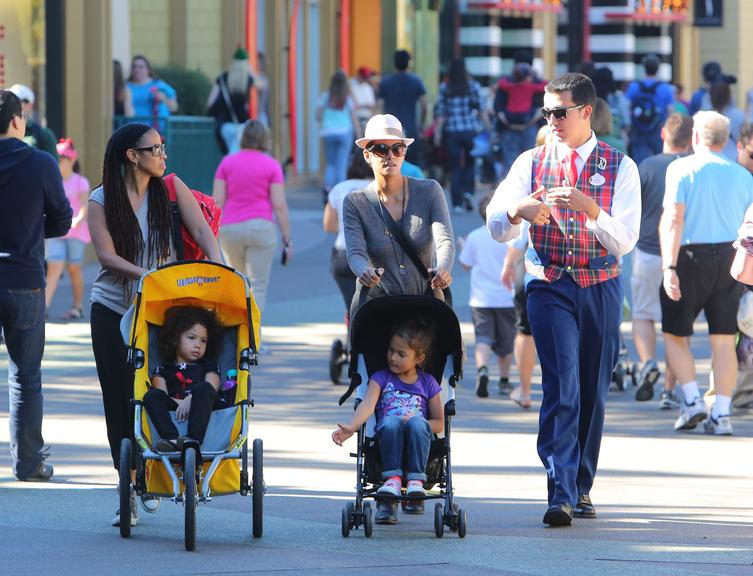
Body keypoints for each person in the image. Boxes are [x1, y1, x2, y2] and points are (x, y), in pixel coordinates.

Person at [487, 72, 641, 526]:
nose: (551, 119)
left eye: (560, 111)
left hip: (600, 284)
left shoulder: (620, 165)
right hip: (549, 283)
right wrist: (518, 210)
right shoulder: (530, 161)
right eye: (547, 112)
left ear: (586, 112)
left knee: (593, 386)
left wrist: (591, 210)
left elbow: (625, 241)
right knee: (562, 385)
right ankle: (559, 490)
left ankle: (582, 486)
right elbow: (497, 222)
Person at [88, 123, 222, 527]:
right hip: (113, 309)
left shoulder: (170, 187)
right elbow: (106, 256)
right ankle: (126, 486)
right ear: (132, 155)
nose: (163, 155)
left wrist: (221, 273)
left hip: (163, 313)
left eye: (163, 148)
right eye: (156, 149)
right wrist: (147, 274)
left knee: (159, 388)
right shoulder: (101, 200)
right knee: (119, 399)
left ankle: (157, 471)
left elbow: (202, 231)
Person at [659, 111, 753, 437]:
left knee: (674, 333)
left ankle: (692, 400)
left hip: (689, 255)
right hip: (731, 257)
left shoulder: (681, 168)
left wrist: (668, 266)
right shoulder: (743, 176)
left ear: (696, 136)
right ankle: (722, 413)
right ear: (726, 140)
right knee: (724, 340)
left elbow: (674, 218)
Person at [0, 90, 71, 481]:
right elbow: (61, 219)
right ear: (16, 121)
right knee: (25, 375)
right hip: (24, 279)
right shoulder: (41, 163)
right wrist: (31, 230)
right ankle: (29, 462)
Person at [331, 318, 444, 525]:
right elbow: (367, 405)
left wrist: (420, 421)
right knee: (391, 422)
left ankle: (415, 482)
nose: (393, 357)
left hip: (417, 435)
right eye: (391, 350)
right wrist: (352, 427)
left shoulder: (428, 383)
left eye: (401, 354)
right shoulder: (381, 378)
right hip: (388, 433)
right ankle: (392, 479)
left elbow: (439, 422)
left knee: (419, 423)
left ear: (418, 358)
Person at [344, 114, 454, 314]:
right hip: (379, 304)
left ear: (404, 153)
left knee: (449, 343)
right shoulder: (355, 202)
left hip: (425, 301)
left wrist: (443, 268)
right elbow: (355, 252)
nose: (390, 155)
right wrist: (364, 272)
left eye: (397, 148)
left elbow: (445, 241)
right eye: (381, 149)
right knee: (363, 342)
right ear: (367, 155)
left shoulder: (430, 190)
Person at [631, 114, 692, 407]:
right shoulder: (693, 168)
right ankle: (669, 390)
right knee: (676, 325)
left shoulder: (647, 166)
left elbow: (633, 206)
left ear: (662, 133)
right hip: (682, 255)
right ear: (693, 139)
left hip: (647, 249)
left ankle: (647, 363)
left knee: (643, 314)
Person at [212, 120, 291, 315]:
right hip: (261, 228)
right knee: (258, 286)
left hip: (230, 229)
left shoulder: (227, 163)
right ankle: (255, 340)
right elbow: (279, 205)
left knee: (237, 284)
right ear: (265, 139)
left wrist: (210, 235)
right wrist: (286, 238)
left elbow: (217, 201)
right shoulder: (272, 165)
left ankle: (238, 339)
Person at [458, 195, 515, 398]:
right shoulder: (513, 237)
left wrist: (463, 247)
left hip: (481, 299)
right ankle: (504, 379)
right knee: (506, 343)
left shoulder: (475, 236)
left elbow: (466, 263)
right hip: (507, 298)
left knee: (483, 338)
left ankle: (482, 369)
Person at [143, 306, 222, 451]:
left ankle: (193, 439)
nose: (198, 345)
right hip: (175, 405)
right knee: (152, 395)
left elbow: (212, 387)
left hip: (205, 404)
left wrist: (191, 399)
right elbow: (163, 395)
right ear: (174, 339)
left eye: (203, 341)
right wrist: (183, 402)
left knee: (203, 388)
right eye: (192, 338)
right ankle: (171, 438)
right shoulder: (162, 369)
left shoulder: (209, 365)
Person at [434, 58, 489, 214]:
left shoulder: (445, 88)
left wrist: (437, 133)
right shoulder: (473, 86)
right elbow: (482, 110)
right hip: (470, 131)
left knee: (455, 167)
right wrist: (488, 128)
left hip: (452, 132)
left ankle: (457, 204)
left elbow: (441, 114)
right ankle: (468, 193)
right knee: (470, 164)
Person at [45, 138, 91, 320]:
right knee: (54, 264)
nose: (58, 161)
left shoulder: (81, 182)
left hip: (76, 233)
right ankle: (44, 308)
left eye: (61, 158)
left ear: (71, 160)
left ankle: (77, 306)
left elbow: (83, 210)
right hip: (57, 231)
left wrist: (76, 220)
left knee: (73, 268)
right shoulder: (52, 180)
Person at [323, 157, 373, 319]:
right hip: (372, 257)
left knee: (353, 307)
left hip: (343, 255)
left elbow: (329, 226)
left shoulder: (339, 189)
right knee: (372, 308)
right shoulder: (380, 188)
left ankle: (352, 339)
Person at [494, 62, 547, 179]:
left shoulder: (510, 86)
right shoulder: (531, 86)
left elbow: (502, 84)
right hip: (526, 120)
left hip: (510, 120)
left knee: (509, 161)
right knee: (530, 159)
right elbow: (544, 85)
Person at [377, 50, 428, 165]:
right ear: (408, 63)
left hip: (390, 130)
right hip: (411, 129)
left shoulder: (386, 82)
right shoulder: (416, 81)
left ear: (394, 63)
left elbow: (379, 107)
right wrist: (422, 125)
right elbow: (424, 105)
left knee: (391, 163)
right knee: (413, 164)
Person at [317, 71, 361, 197]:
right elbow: (354, 116)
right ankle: (340, 191)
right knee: (342, 163)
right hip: (344, 132)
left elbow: (318, 115)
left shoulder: (325, 96)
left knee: (330, 162)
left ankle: (327, 186)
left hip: (328, 132)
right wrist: (358, 135)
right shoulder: (347, 98)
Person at [625, 54, 675, 166]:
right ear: (658, 69)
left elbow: (626, 107)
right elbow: (670, 111)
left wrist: (628, 126)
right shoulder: (666, 88)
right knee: (660, 160)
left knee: (639, 161)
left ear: (644, 68)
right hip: (658, 129)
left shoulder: (634, 86)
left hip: (638, 129)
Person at [207, 47, 254, 155]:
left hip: (226, 125)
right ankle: (230, 169)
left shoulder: (222, 79)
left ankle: (229, 168)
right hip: (243, 126)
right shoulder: (249, 80)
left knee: (232, 152)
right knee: (237, 153)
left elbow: (210, 102)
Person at [8, 84, 58, 159]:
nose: (10, 105)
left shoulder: (44, 134)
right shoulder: (3, 130)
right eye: (9, 101)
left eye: (16, 101)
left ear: (29, 105)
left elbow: (53, 168)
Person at [127, 55, 177, 128]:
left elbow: (174, 108)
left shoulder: (159, 84)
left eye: (141, 67)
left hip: (155, 132)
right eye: (134, 67)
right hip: (132, 130)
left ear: (148, 69)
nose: (137, 70)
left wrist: (164, 98)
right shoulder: (126, 86)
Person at [710, 81, 745, 161]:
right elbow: (741, 138)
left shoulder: (705, 116)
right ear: (729, 96)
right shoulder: (739, 114)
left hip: (711, 158)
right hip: (734, 157)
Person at [350, 66, 377, 132]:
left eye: (366, 78)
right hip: (354, 119)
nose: (364, 79)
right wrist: (364, 105)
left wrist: (361, 106)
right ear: (358, 75)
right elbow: (353, 105)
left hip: (366, 118)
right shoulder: (350, 84)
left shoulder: (367, 87)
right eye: (363, 77)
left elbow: (372, 105)